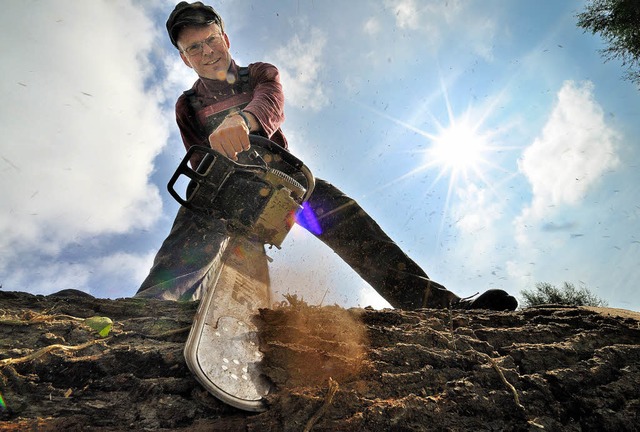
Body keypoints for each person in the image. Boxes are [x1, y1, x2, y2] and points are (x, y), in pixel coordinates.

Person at [135, 1, 518, 311]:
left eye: (210, 40)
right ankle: (151, 309)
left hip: (282, 185)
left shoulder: (259, 74)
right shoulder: (187, 105)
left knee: (343, 214)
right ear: (185, 59)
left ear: (225, 37)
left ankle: (437, 306)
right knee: (192, 221)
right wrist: (220, 206)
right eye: (194, 48)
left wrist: (243, 119)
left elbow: (271, 105)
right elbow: (199, 162)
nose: (207, 52)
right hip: (226, 191)